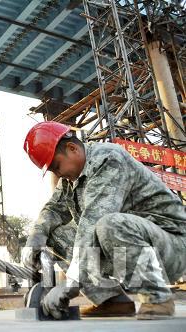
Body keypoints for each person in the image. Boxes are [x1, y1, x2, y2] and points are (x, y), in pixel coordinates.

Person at [21, 121, 186, 320]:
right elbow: (53, 210)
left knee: (108, 225)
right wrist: (35, 239)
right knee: (56, 235)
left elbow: (92, 222)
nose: (58, 174)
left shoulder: (108, 159)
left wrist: (71, 283)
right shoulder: (70, 179)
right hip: (136, 247)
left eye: (56, 166)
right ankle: (112, 301)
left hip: (174, 247)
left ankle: (158, 298)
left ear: (72, 148)